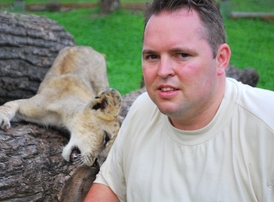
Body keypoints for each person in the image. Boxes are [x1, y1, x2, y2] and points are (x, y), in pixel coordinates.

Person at [84, 0, 274, 201]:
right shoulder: (143, 110)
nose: (163, 71)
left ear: (220, 59)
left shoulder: (266, 124)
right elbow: (110, 187)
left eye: (182, 55)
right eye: (152, 56)